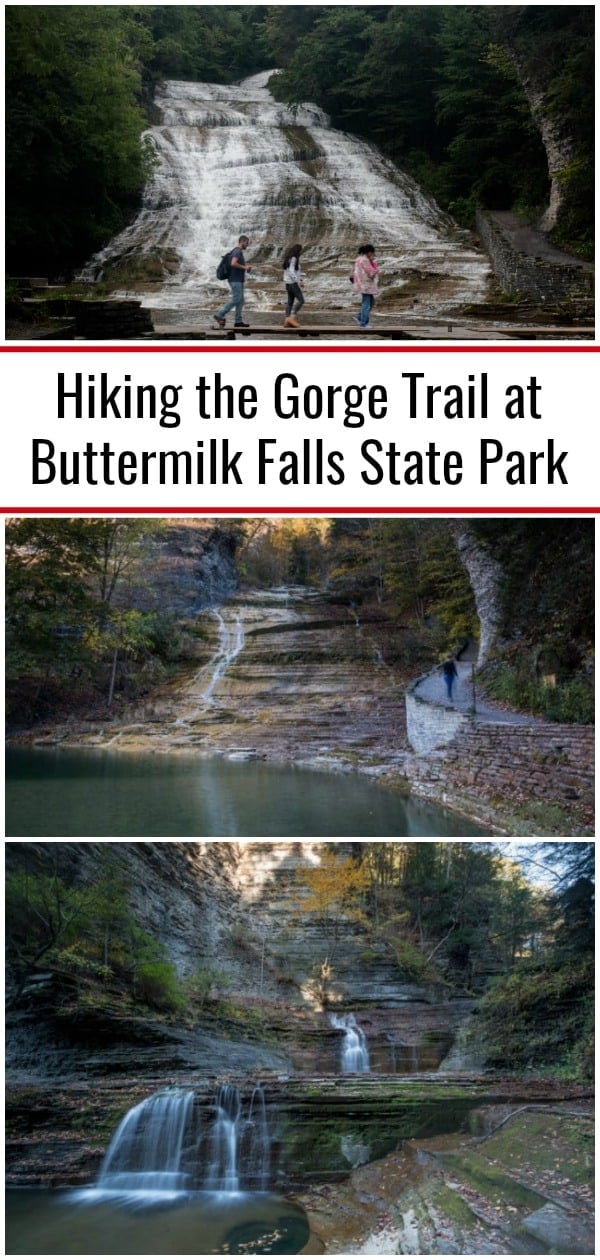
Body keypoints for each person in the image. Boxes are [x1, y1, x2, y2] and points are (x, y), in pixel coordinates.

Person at [214, 235, 252, 328]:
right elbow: (233, 263)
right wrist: (245, 267)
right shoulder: (237, 251)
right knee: (237, 298)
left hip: (237, 279)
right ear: (242, 242)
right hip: (235, 280)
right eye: (247, 243)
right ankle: (219, 315)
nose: (247, 245)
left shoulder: (236, 251)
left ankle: (238, 321)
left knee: (240, 300)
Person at [352, 243, 379, 328]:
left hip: (362, 283)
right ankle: (363, 323)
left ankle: (360, 318)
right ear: (369, 252)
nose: (373, 254)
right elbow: (372, 271)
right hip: (365, 284)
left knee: (370, 302)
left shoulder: (359, 259)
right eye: (372, 252)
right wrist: (372, 261)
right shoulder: (365, 260)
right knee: (367, 304)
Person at [282, 243, 305, 328]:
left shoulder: (289, 259)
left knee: (290, 303)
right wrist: (298, 281)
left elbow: (294, 272)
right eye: (300, 251)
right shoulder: (294, 258)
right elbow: (292, 271)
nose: (301, 252)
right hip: (292, 284)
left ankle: (286, 321)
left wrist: (301, 278)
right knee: (301, 300)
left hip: (288, 284)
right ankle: (292, 317)